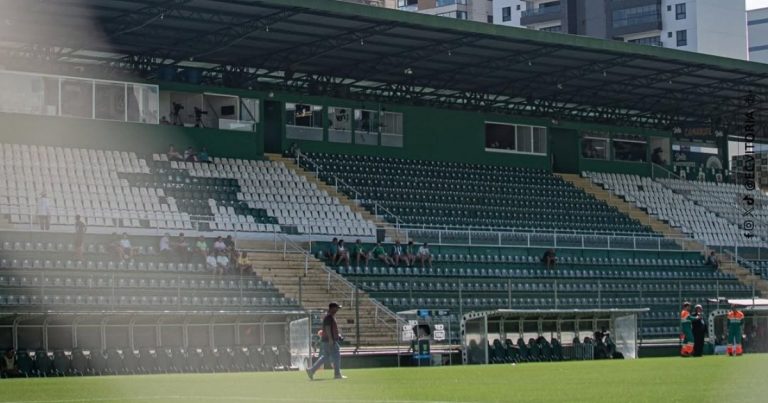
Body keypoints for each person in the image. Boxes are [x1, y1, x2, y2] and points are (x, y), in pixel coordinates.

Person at [306, 302, 345, 380]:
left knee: (325, 357)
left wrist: (337, 336)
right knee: (336, 356)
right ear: (332, 308)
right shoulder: (329, 317)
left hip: (327, 341)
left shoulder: (330, 317)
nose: (337, 309)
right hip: (329, 341)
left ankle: (311, 370)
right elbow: (327, 328)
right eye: (336, 308)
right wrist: (330, 339)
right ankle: (337, 374)